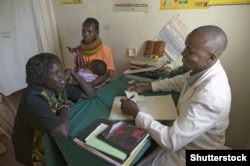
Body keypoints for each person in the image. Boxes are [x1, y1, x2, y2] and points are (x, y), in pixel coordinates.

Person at [120, 25, 231, 166]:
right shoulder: (204, 69)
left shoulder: (211, 96)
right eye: (185, 47)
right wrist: (145, 87)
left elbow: (172, 141)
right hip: (182, 140)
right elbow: (177, 82)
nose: (183, 53)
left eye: (190, 51)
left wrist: (135, 113)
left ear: (211, 57)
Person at [12, 53, 95, 166]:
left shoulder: (57, 86)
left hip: (51, 134)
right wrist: (63, 107)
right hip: (36, 150)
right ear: (40, 77)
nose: (61, 75)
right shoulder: (33, 98)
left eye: (61, 70)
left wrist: (72, 72)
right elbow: (62, 133)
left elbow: (90, 94)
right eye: (56, 73)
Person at [68, 17, 115, 88]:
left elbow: (107, 73)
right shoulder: (77, 50)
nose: (86, 34)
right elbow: (76, 71)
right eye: (83, 30)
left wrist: (91, 84)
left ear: (97, 33)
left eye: (90, 31)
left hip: (100, 83)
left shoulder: (105, 50)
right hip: (82, 83)